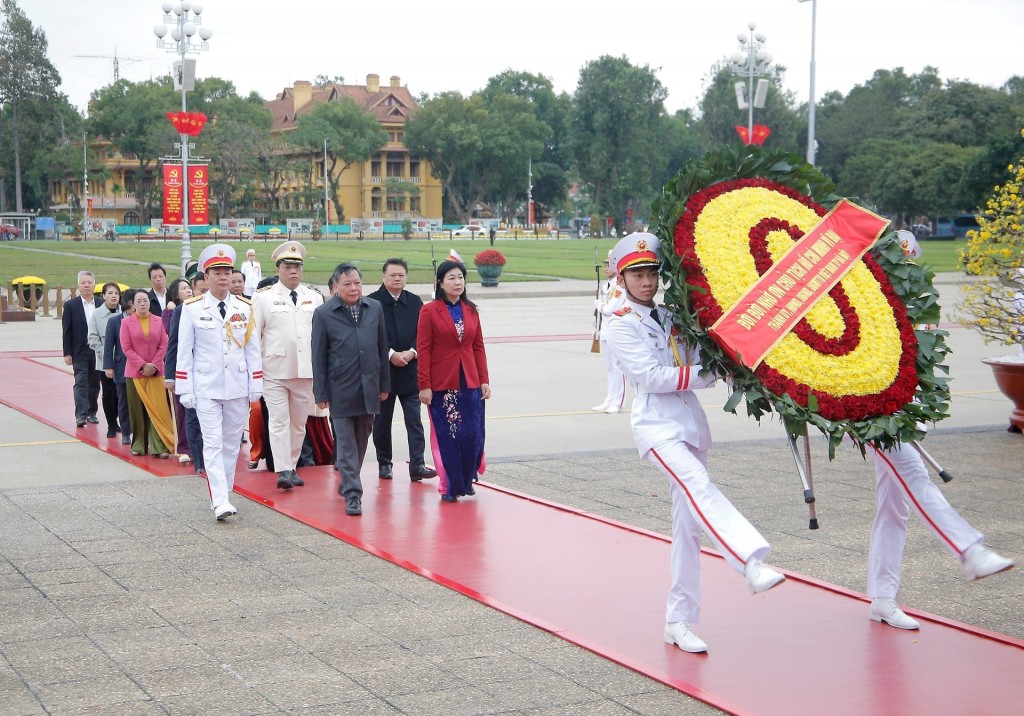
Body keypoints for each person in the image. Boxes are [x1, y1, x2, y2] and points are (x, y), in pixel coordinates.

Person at [604, 232, 785, 655]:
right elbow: (651, 378)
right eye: (638, 275)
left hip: (691, 427)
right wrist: (709, 374)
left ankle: (677, 621)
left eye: (652, 273)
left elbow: (704, 351)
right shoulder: (619, 323)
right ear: (622, 279)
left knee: (687, 529)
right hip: (657, 429)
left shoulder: (673, 316)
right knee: (697, 485)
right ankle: (749, 561)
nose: (647, 281)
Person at [864, 231, 1014, 630]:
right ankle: (970, 550)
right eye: (899, 263)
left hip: (904, 413)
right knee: (915, 476)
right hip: (869, 413)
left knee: (895, 507)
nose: (905, 271)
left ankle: (882, 597)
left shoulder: (914, 303)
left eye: (910, 264)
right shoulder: (864, 300)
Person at [176, 244, 263, 520]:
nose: (223, 276)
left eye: (227, 271)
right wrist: (184, 387)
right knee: (212, 443)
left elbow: (252, 349)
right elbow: (184, 352)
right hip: (206, 385)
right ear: (206, 276)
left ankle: (223, 492)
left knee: (230, 444)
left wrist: (255, 383)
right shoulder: (191, 309)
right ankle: (221, 500)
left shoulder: (245, 307)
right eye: (217, 272)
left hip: (237, 383)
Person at [312, 263, 390, 516]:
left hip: (369, 387)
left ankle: (348, 480)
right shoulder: (323, 314)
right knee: (345, 444)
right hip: (340, 388)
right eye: (347, 284)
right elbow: (318, 356)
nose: (353, 288)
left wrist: (384, 384)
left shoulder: (374, 308)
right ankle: (353, 495)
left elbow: (381, 348)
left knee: (361, 439)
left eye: (357, 282)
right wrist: (321, 392)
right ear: (335, 287)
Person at [417, 258, 490, 503]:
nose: (457, 282)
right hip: (442, 384)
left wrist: (484, 379)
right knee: (449, 435)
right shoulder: (429, 311)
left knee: (472, 434)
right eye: (452, 278)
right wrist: (424, 385)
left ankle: (467, 479)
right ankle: (450, 485)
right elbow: (424, 349)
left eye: (460, 277)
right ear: (440, 282)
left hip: (469, 382)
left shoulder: (471, 310)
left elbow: (478, 346)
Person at [253, 241, 324, 490]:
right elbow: (254, 337)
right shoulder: (263, 298)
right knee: (279, 421)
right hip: (274, 370)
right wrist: (255, 372)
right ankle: (283, 469)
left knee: (298, 423)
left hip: (305, 370)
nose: (293, 271)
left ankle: (292, 466)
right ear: (278, 269)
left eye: (297, 267)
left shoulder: (313, 298)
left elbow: (320, 336)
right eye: (288, 266)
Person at [370, 258, 437, 482]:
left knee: (414, 421)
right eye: (392, 275)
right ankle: (384, 463)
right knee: (382, 422)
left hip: (410, 371)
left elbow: (425, 334)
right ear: (383, 277)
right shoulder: (372, 302)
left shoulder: (415, 301)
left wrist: (412, 352)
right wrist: (390, 354)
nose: (397, 279)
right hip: (384, 374)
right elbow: (370, 337)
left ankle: (417, 464)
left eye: (401, 275)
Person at [119, 291, 175, 458]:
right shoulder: (126, 323)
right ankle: (139, 444)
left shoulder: (158, 321)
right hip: (135, 373)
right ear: (133, 305)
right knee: (137, 410)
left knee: (158, 409)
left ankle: (159, 445)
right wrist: (143, 365)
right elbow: (126, 348)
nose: (143, 303)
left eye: (145, 300)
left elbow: (164, 344)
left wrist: (154, 365)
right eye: (139, 301)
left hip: (156, 372)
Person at [62, 270, 101, 427]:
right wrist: (67, 353)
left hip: (97, 351)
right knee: (81, 382)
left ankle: (92, 412)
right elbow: (67, 330)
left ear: (94, 285)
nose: (86, 285)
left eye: (89, 282)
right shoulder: (71, 305)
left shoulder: (100, 303)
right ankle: (81, 415)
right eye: (83, 283)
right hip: (79, 350)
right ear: (78, 285)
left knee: (95, 384)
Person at [162, 277, 195, 465]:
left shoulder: (199, 308)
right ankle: (183, 448)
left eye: (189, 287)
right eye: (183, 288)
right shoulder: (173, 312)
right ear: (175, 294)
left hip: (199, 368)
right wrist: (170, 375)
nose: (188, 290)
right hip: (181, 368)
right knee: (182, 411)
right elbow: (170, 339)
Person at [592, 250, 628, 414]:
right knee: (610, 368)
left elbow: (610, 309)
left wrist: (598, 305)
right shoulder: (605, 285)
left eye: (609, 265)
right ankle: (610, 398)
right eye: (605, 264)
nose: (606, 268)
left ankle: (618, 402)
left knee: (618, 367)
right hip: (606, 330)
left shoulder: (619, 286)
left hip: (616, 329)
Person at [87, 282, 123, 438]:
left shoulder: (125, 312)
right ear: (103, 296)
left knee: (120, 394)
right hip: (104, 361)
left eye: (116, 293)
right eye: (109, 293)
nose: (113, 296)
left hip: (123, 360)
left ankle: (121, 421)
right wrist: (105, 350)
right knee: (108, 393)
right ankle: (111, 424)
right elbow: (92, 338)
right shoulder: (96, 314)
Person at [103, 289, 135, 444]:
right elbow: (109, 346)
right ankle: (126, 432)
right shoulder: (115, 321)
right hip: (122, 367)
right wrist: (108, 366)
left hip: (140, 368)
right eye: (133, 302)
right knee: (123, 402)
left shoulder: (143, 319)